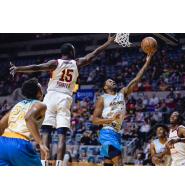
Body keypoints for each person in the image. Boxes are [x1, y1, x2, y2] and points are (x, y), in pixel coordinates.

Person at [10, 34, 116, 166]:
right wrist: (108, 42)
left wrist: (18, 68)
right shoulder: (77, 63)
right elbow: (94, 53)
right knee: (62, 134)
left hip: (50, 97)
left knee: (46, 132)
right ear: (71, 52)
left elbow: (35, 67)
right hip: (65, 98)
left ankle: (44, 163)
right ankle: (59, 165)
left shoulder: (55, 63)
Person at [92, 52, 155, 166]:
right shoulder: (102, 98)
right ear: (105, 87)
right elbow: (94, 120)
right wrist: (110, 120)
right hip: (107, 132)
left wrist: (147, 61)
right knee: (119, 162)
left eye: (113, 80)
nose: (113, 81)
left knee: (108, 163)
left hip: (116, 133)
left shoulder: (122, 93)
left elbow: (136, 79)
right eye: (110, 81)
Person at [0, 78, 49, 166]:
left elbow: (1, 125)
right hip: (19, 144)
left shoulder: (17, 105)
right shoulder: (40, 105)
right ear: (38, 92)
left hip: (2, 143)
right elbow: (29, 118)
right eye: (40, 88)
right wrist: (41, 143)